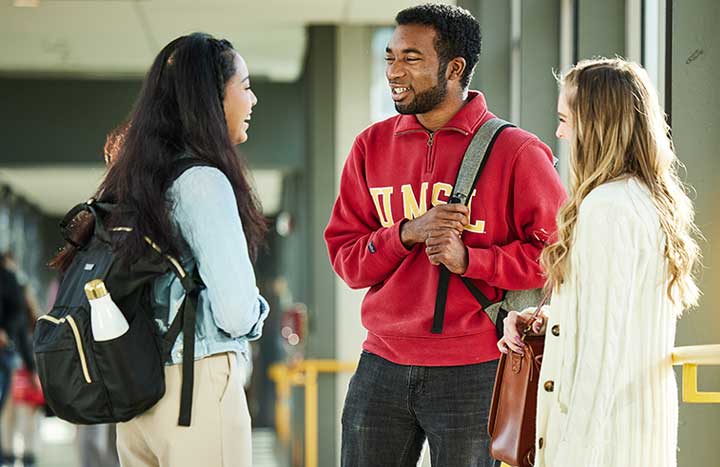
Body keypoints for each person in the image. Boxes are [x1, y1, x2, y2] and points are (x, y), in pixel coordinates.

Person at [324, 4, 566, 466]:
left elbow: (556, 256)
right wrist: (406, 234)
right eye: (390, 57)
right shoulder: (370, 147)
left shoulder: (516, 152)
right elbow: (347, 259)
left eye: (411, 59)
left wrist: (471, 261)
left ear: (454, 68)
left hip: (475, 369)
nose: (395, 71)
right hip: (381, 364)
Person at [51, 32, 269, 467]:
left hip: (139, 395)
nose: (254, 100)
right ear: (211, 98)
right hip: (198, 389)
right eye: (244, 86)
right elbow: (234, 311)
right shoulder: (203, 182)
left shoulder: (135, 181)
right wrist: (258, 311)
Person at [499, 58, 702, 467]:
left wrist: (571, 457)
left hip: (598, 447)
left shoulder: (605, 209)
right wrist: (552, 322)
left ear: (595, 123)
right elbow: (613, 319)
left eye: (564, 118)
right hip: (633, 439)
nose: (559, 132)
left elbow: (600, 353)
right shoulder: (648, 201)